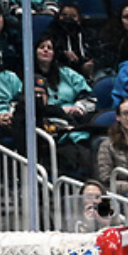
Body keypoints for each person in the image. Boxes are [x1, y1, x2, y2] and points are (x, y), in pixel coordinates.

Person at [20, 34, 95, 179]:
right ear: (34, 51)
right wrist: (59, 110)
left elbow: (88, 96)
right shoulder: (25, 75)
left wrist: (79, 107)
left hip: (74, 120)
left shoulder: (67, 73)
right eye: (42, 47)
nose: (46, 50)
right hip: (44, 123)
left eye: (49, 48)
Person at [95, 97, 128, 196]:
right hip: (124, 195)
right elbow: (106, 180)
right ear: (118, 117)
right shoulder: (107, 145)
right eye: (125, 113)